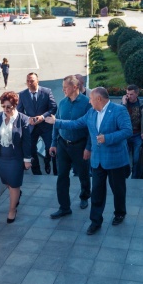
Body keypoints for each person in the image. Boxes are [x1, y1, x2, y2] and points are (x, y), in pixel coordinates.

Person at [46, 87, 132, 235]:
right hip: (97, 160)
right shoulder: (91, 112)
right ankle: (95, 221)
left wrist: (107, 138)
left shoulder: (118, 110)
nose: (89, 101)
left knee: (118, 189)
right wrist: (56, 122)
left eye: (91, 99)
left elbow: (127, 131)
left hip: (115, 160)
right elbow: (75, 124)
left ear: (99, 99)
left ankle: (120, 213)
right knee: (97, 192)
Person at [49, 75, 92, 219]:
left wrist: (88, 147)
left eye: (65, 87)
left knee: (83, 174)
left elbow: (91, 128)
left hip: (80, 145)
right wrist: (53, 143)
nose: (63, 90)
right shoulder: (62, 103)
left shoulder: (87, 103)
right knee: (62, 176)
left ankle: (85, 196)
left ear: (75, 87)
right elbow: (56, 123)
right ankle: (64, 207)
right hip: (63, 145)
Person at [0, 91, 32, 223]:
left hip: (16, 158)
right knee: (7, 182)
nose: (5, 109)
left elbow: (27, 141)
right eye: (3, 106)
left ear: (15, 105)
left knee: (14, 184)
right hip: (2, 157)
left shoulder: (23, 119)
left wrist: (27, 159)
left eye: (8, 107)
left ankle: (12, 210)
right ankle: (16, 194)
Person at [17, 72, 57, 175]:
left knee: (50, 148)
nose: (29, 83)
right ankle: (37, 172)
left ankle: (48, 162)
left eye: (32, 81)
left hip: (46, 126)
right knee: (31, 149)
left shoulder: (47, 92)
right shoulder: (22, 94)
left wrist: (42, 117)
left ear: (37, 81)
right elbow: (19, 112)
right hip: (31, 127)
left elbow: (53, 107)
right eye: (28, 81)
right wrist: (28, 119)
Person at [122, 84, 143, 179]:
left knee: (136, 158)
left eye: (131, 94)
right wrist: (124, 104)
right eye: (127, 94)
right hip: (126, 135)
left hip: (137, 134)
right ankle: (125, 176)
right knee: (125, 158)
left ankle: (135, 177)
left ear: (137, 94)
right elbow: (120, 116)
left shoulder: (141, 104)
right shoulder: (124, 104)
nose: (129, 96)